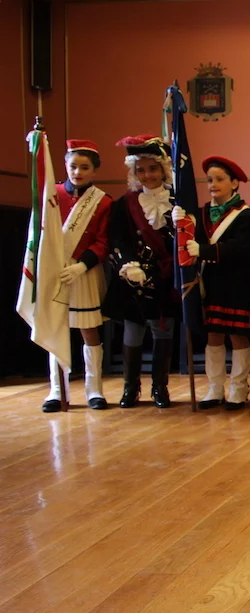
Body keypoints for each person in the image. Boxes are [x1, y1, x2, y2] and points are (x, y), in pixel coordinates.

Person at [173, 156, 250, 410]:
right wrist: (179, 223)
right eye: (210, 180)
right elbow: (188, 241)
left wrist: (204, 251)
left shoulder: (246, 215)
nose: (213, 184)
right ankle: (215, 387)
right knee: (213, 335)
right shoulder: (200, 214)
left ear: (234, 183)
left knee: (238, 335)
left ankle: (239, 387)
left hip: (236, 282)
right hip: (210, 282)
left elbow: (242, 249)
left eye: (220, 179)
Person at [102, 135, 179, 409]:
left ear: (163, 170)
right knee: (133, 331)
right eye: (141, 170)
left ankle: (160, 387)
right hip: (133, 276)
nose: (147, 175)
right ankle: (131, 387)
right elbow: (118, 238)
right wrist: (129, 264)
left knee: (163, 329)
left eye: (153, 169)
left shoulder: (178, 201)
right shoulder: (125, 204)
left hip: (165, 276)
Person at [41, 140, 113, 412]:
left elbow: (103, 241)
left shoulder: (103, 201)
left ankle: (94, 389)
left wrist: (82, 265)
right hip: (55, 269)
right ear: (65, 166)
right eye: (73, 166)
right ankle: (56, 390)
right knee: (55, 328)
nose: (78, 172)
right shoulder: (52, 194)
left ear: (94, 170)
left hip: (85, 270)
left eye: (84, 167)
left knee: (88, 328)